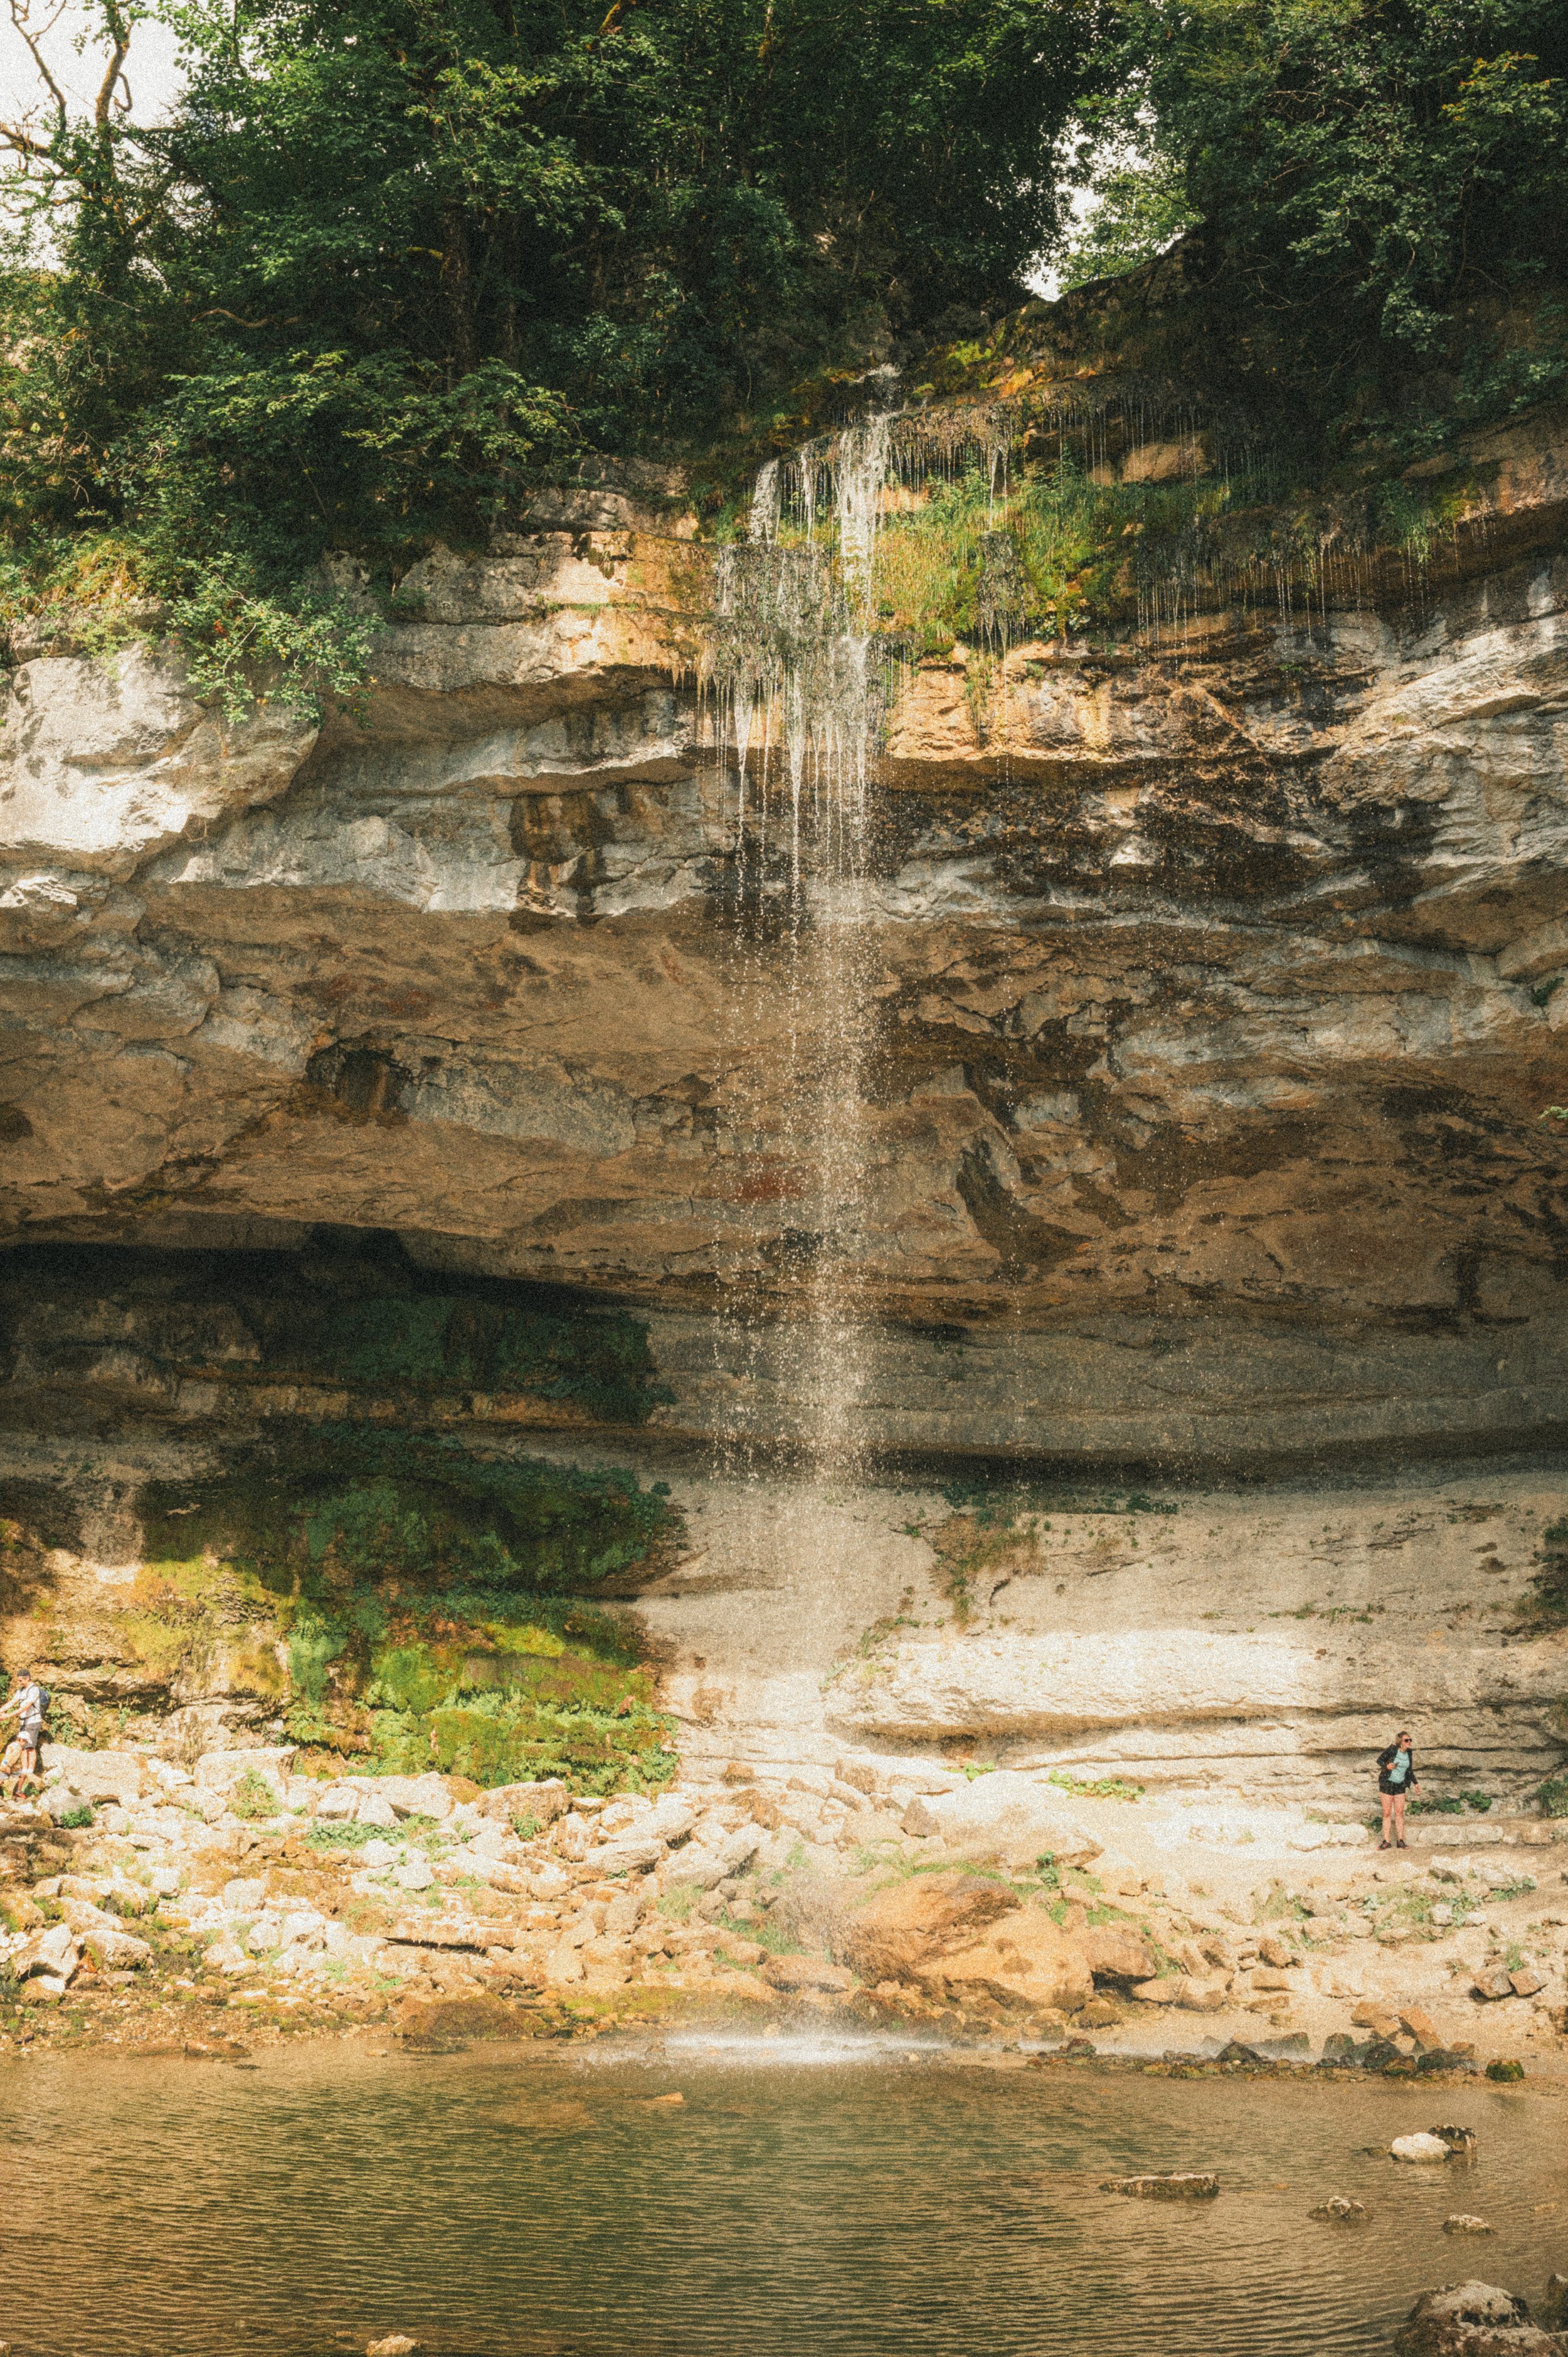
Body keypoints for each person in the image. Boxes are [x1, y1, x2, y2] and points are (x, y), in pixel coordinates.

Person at [0, 1668, 46, 1798]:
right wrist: (1, 1710)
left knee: (30, 1746)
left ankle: (29, 1770)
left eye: (21, 1680)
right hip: (23, 1722)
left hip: (33, 1721)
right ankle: (24, 1768)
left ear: (28, 1678)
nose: (19, 1682)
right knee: (22, 1746)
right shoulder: (21, 1691)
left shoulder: (34, 1690)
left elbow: (24, 1707)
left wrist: (8, 1716)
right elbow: (12, 1702)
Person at [1375, 1728, 1420, 1849]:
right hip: (1387, 1784)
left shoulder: (1409, 1753)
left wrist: (1416, 1783)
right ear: (1400, 1742)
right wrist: (1387, 1766)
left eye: (1410, 1740)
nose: (1409, 1742)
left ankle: (1400, 1841)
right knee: (1387, 1813)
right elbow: (1379, 1760)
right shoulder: (1392, 1750)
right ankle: (1386, 1841)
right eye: (1406, 1740)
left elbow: (1409, 1770)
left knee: (1400, 1813)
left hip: (1400, 1785)